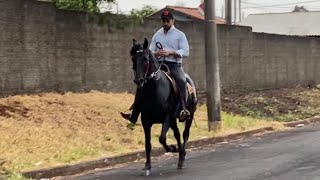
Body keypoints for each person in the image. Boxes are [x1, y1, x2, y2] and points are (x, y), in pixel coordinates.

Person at [121, 10, 191, 123]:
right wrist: (157, 54)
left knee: (182, 81)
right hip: (158, 64)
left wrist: (171, 52)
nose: (165, 23)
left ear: (173, 21)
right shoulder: (157, 35)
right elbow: (149, 51)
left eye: (168, 21)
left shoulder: (180, 35)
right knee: (142, 81)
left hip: (174, 65)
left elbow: (186, 51)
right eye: (164, 21)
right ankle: (134, 114)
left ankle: (183, 110)